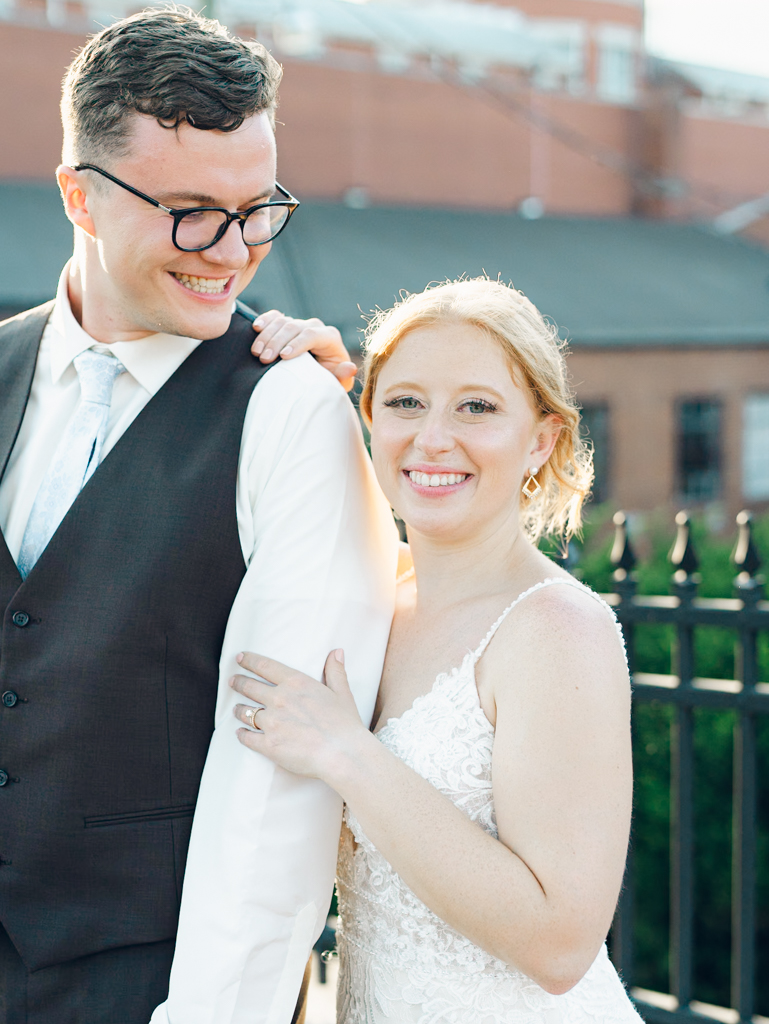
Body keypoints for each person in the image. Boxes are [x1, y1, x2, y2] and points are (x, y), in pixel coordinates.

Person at [0, 8, 398, 1024]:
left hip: (151, 985)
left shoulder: (291, 408)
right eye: (190, 211)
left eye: (256, 209)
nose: (231, 251)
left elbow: (282, 776)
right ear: (80, 197)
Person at [231, 278, 644, 1023]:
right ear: (367, 416)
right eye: (405, 402)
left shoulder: (555, 629)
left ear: (541, 439)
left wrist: (346, 753)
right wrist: (292, 381)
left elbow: (559, 946)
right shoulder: (367, 595)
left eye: (476, 407)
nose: (431, 438)